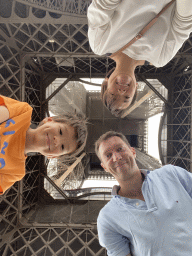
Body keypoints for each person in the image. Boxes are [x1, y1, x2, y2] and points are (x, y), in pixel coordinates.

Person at [95, 130, 192, 256]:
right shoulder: (107, 218)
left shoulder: (171, 174)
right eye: (108, 155)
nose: (116, 157)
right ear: (105, 167)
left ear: (133, 152)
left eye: (120, 149)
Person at [87, 0, 192, 116]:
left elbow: (104, 5)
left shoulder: (100, 44)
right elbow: (182, 25)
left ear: (106, 83)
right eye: (127, 97)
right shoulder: (160, 57)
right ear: (136, 87)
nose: (121, 92)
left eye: (113, 95)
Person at [0, 95, 88, 195]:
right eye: (60, 131)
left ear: (53, 156)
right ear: (49, 120)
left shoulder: (16, 173)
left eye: (62, 147)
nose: (57, 141)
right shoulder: (24, 111)